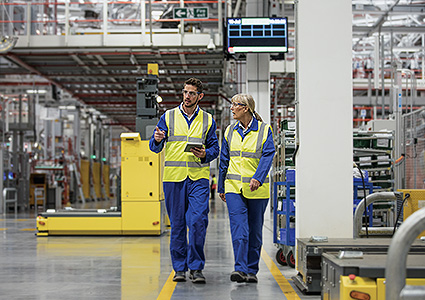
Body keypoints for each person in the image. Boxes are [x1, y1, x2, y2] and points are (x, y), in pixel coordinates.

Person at [149, 77, 219, 284]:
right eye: (185, 92)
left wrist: (205, 153)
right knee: (178, 225)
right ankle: (179, 268)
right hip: (173, 179)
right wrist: (157, 140)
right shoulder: (168, 117)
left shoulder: (208, 119)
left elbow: (214, 148)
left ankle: (196, 268)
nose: (187, 96)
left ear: (200, 96)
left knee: (197, 223)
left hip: (198, 178)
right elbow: (154, 147)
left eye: (191, 93)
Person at [218, 94, 275, 283]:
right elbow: (224, 161)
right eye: (232, 104)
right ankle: (240, 269)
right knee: (239, 229)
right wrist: (221, 186)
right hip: (234, 187)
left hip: (257, 189)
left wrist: (258, 178)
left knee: (255, 231)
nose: (232, 108)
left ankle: (251, 270)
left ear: (246, 108)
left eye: (235, 105)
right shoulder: (229, 131)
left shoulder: (264, 130)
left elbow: (268, 155)